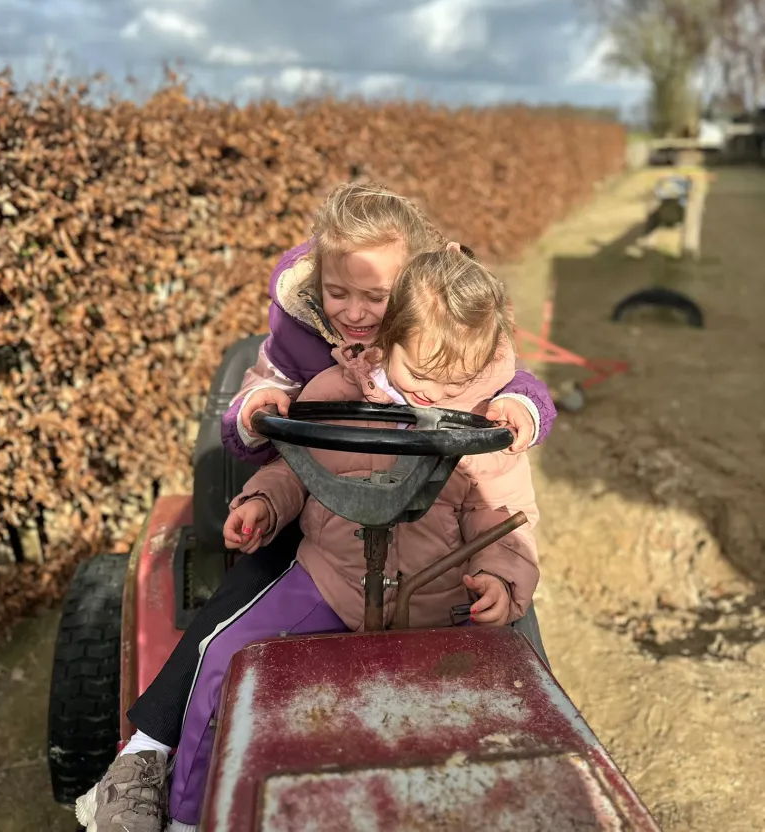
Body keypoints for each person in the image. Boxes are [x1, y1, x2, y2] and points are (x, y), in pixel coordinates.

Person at [75, 184, 555, 832]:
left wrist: (517, 412)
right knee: (228, 637)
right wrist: (260, 416)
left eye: (375, 297)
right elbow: (276, 424)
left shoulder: (457, 353)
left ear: (413, 290)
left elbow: (504, 414)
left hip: (435, 576)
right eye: (339, 293)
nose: (355, 312)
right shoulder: (313, 355)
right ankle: (157, 769)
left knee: (516, 666)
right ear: (319, 285)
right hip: (326, 544)